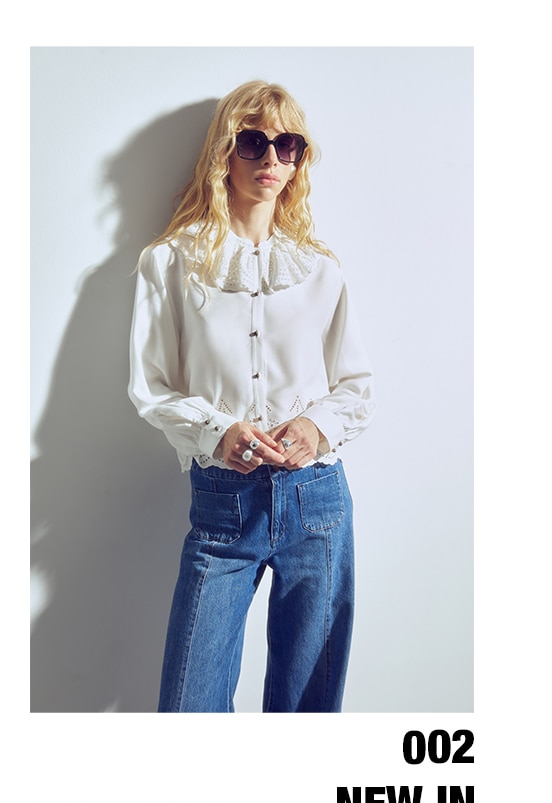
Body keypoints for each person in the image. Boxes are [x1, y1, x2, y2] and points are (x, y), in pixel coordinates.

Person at [128, 80, 376, 712]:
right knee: (190, 706)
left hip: (316, 500)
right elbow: (150, 385)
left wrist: (315, 427)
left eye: (288, 145)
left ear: (299, 160)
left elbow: (355, 385)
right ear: (225, 151)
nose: (271, 158)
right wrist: (217, 431)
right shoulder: (170, 263)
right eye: (253, 141)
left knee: (306, 709)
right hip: (223, 505)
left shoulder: (320, 269)